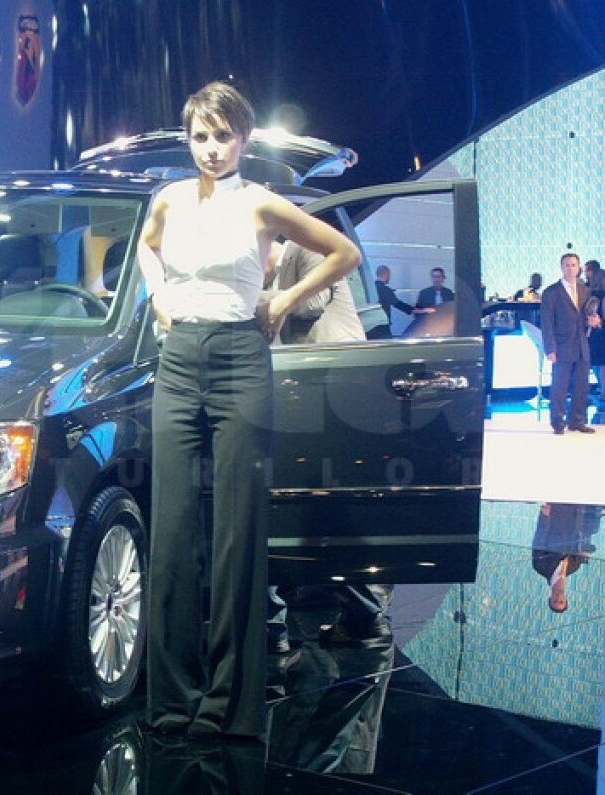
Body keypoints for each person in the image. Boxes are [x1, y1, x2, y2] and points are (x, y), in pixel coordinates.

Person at [139, 81, 361, 741]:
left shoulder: (262, 202)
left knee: (237, 533)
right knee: (172, 531)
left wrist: (284, 299)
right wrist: (157, 296)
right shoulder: (168, 199)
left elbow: (344, 253)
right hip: (179, 360)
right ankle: (172, 699)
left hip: (241, 357)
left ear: (242, 138)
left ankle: (227, 706)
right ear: (189, 139)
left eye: (223, 136)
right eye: (200, 136)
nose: (211, 148)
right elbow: (146, 247)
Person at [266, 242, 391, 645]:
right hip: (306, 395)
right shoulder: (272, 267)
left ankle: (364, 612)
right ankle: (341, 609)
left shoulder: (306, 250)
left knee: (326, 506)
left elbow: (310, 304)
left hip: (338, 391)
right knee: (299, 502)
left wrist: (249, 298)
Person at [541, 252, 600, 434]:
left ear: (578, 267)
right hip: (561, 345)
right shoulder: (551, 292)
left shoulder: (586, 290)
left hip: (582, 344)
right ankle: (558, 422)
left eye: (573, 265)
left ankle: (577, 421)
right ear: (561, 267)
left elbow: (588, 315)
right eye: (567, 265)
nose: (570, 268)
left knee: (582, 385)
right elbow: (547, 323)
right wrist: (550, 348)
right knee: (560, 386)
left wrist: (595, 321)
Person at [531, 503, 601, 613]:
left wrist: (544, 517)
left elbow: (539, 538)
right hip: (578, 513)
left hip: (558, 517)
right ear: (565, 599)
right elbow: (582, 539)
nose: (558, 598)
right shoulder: (574, 567)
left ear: (550, 598)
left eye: (555, 601)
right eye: (561, 601)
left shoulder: (540, 567)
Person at [368, 265, 412, 339]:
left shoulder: (369, 289)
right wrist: (416, 310)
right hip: (382, 327)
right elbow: (398, 304)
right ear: (386, 274)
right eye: (389, 275)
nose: (390, 278)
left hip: (369, 327)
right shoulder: (385, 290)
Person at [588, 266, 605, 404]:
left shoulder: (589, 296)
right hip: (601, 331)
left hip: (592, 334)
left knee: (597, 363)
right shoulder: (602, 297)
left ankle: (601, 388)